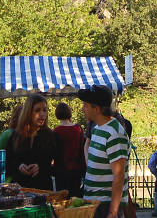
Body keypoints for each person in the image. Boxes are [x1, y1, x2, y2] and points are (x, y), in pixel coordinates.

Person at [80, 85, 129, 218]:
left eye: (86, 105)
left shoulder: (114, 134)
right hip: (94, 204)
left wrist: (113, 212)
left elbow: (119, 175)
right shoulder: (97, 129)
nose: (83, 109)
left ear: (96, 109)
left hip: (105, 207)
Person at [6, 94, 57, 191]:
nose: (42, 114)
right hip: (20, 190)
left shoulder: (50, 135)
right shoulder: (16, 135)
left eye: (45, 110)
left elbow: (58, 165)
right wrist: (19, 166)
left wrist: (41, 168)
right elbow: (7, 162)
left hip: (43, 190)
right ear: (28, 112)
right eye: (37, 110)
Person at [53, 102, 85, 197]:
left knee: (62, 199)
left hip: (61, 171)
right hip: (76, 169)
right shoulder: (78, 129)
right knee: (75, 197)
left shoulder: (56, 131)